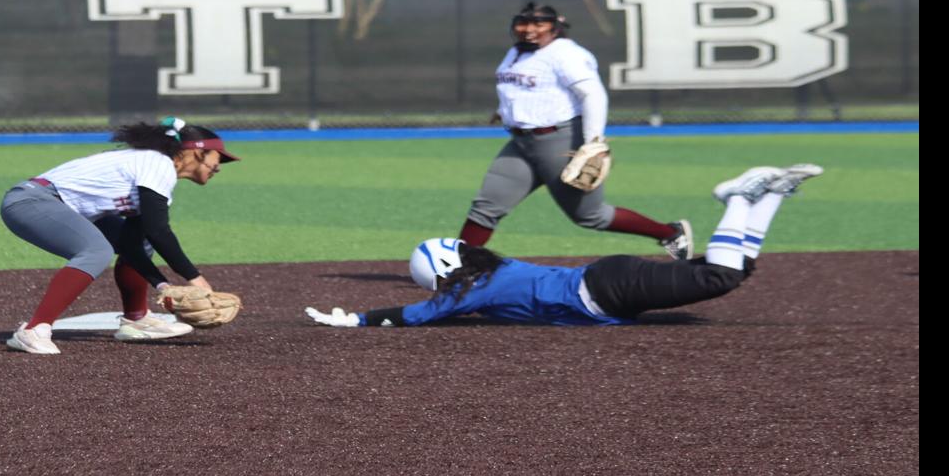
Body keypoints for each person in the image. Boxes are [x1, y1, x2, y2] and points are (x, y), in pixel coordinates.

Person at [307, 164, 822, 328]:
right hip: (608, 280)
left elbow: (419, 314)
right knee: (738, 267)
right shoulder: (494, 269)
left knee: (720, 276)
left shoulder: (478, 290)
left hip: (610, 288)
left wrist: (357, 319)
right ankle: (772, 194)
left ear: (444, 274)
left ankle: (739, 197)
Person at [457, 2, 693, 260]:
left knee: (590, 216)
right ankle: (456, 267)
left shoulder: (566, 53)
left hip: (561, 142)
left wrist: (593, 141)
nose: (529, 29)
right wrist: (505, 110)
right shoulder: (517, 51)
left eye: (539, 23)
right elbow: (519, 87)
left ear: (556, 27)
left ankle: (670, 233)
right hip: (521, 143)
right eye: (523, 22)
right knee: (486, 207)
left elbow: (593, 95)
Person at [0, 117, 238, 355]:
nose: (219, 166)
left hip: (63, 206)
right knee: (96, 250)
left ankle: (136, 319)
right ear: (198, 153)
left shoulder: (155, 171)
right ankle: (33, 330)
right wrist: (195, 279)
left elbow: (131, 245)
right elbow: (160, 231)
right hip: (31, 201)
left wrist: (163, 286)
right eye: (219, 158)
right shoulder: (157, 163)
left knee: (140, 243)